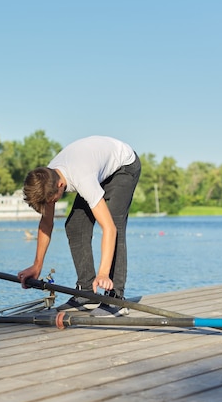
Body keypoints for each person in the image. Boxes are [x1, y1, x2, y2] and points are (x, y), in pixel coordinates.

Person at [17, 135, 140, 316]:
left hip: (124, 166)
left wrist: (103, 273)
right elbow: (46, 222)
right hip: (96, 166)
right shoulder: (47, 178)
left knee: (115, 223)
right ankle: (87, 293)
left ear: (60, 185)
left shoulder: (82, 178)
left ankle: (115, 297)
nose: (52, 204)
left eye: (52, 201)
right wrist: (37, 265)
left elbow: (109, 229)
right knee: (75, 226)